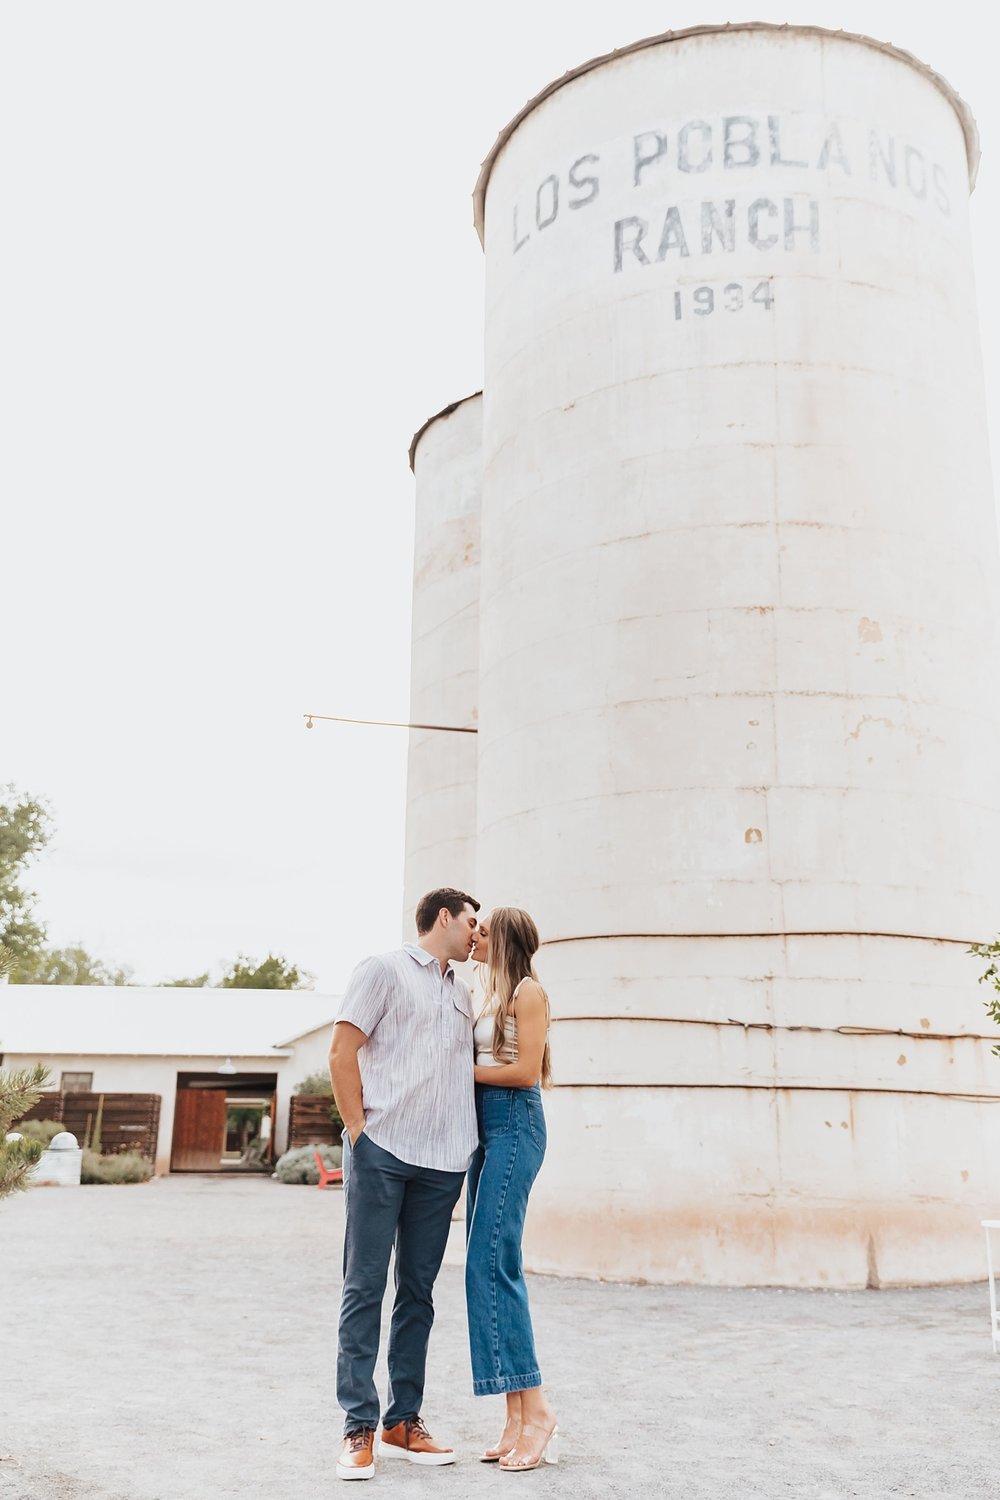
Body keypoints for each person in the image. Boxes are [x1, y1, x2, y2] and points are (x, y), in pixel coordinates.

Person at [329, 887, 480, 1481]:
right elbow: (342, 1051)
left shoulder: (466, 993)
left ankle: (402, 1419)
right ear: (444, 917)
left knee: (418, 1293)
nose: (477, 933)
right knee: (364, 1287)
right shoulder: (383, 970)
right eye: (472, 922)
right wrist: (359, 1132)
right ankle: (358, 1424)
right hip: (383, 1150)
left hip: (443, 1162)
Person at [466, 906, 559, 1472]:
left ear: (503, 938)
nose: (474, 937)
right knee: (486, 1267)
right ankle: (514, 1415)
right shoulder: (491, 995)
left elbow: (526, 1072)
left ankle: (539, 1413)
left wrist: (459, 1067)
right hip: (486, 1127)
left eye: (482, 930)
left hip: (515, 1124)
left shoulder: (529, 992)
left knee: (493, 1263)